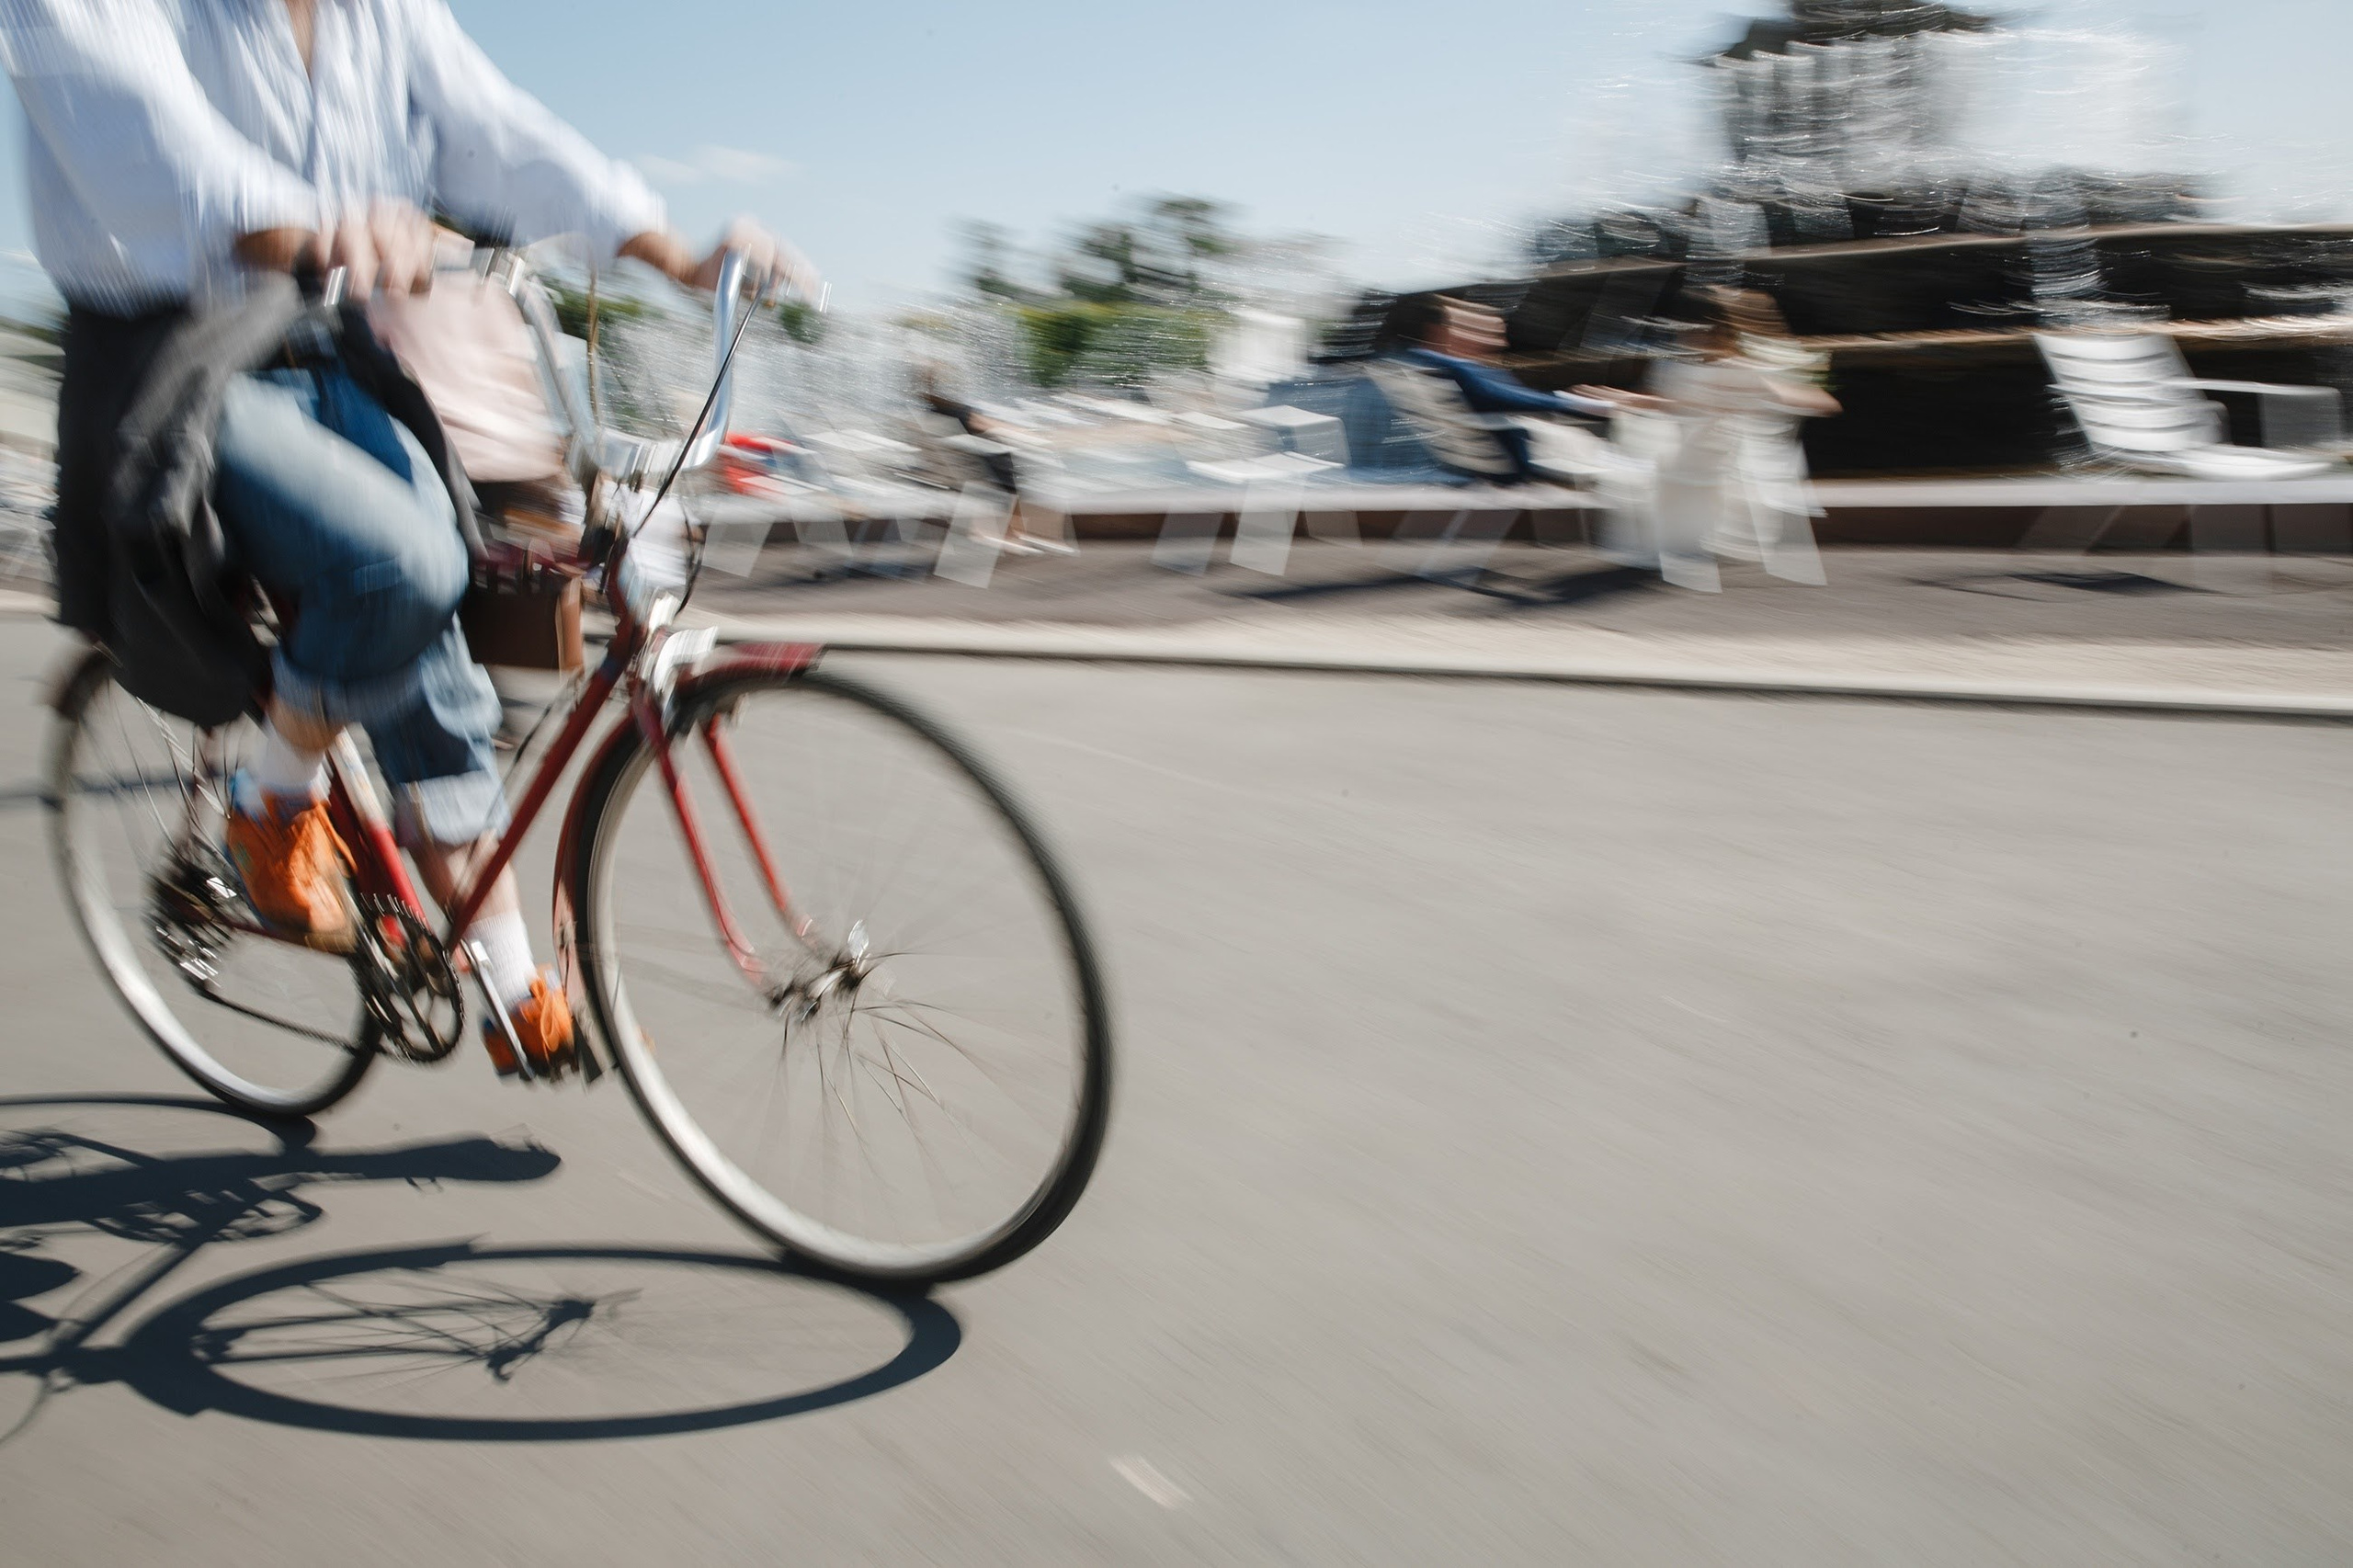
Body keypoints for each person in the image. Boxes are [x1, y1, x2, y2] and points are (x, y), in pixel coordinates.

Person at [1, 0, 817, 1074]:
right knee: (400, 562)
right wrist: (309, 221)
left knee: (442, 637)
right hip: (176, 358)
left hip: (323, 340)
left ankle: (517, 989)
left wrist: (676, 255)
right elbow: (144, 141)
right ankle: (270, 801)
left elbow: (498, 133)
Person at [1644, 288, 1839, 591]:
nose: (1695, 340)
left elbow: (1795, 397)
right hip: (1699, 450)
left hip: (1713, 452)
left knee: (1696, 490)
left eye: (1703, 335)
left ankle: (1692, 547)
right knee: (1684, 488)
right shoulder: (1690, 368)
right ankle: (1689, 546)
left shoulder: (1737, 370)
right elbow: (1667, 402)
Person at [1381, 294, 1659, 479]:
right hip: (1512, 459)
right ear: (1442, 331)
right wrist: (1587, 404)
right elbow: (1503, 397)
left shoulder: (1421, 364)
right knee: (1640, 465)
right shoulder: (1453, 368)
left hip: (1481, 458)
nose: (1501, 343)